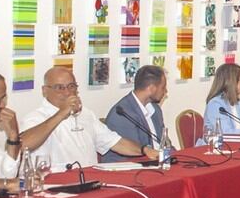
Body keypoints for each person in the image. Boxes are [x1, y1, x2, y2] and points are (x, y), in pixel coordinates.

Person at [23, 65, 153, 170]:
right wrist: (61, 113)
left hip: (89, 183)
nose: (67, 92)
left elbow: (115, 142)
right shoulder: (35, 118)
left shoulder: (86, 114)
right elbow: (23, 145)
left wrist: (144, 150)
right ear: (45, 90)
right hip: (53, 186)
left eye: (71, 86)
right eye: (59, 88)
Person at [104, 63, 169, 160]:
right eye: (163, 87)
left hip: (156, 164)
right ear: (151, 88)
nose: (165, 91)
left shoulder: (155, 109)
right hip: (129, 169)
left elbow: (165, 143)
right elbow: (134, 154)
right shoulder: (122, 114)